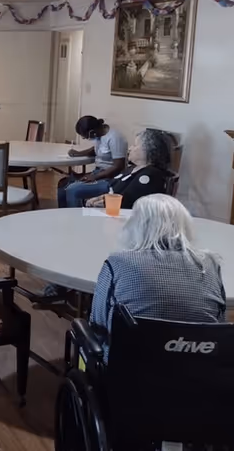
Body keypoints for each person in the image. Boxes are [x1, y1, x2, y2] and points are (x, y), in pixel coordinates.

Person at [89, 195, 226, 361]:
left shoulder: (119, 262)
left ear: (135, 225)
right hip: (199, 370)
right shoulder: (210, 264)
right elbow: (219, 322)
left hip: (129, 369)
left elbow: (98, 323)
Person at [85, 129, 173, 210]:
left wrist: (103, 202)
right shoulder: (135, 168)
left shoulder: (150, 175)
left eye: (135, 145)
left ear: (149, 150)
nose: (130, 148)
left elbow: (129, 202)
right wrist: (100, 199)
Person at [58, 115, 128, 208]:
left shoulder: (114, 138)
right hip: (98, 173)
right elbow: (95, 150)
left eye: (85, 137)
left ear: (91, 132)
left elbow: (119, 166)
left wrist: (95, 177)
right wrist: (78, 153)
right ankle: (63, 214)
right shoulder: (99, 135)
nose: (86, 139)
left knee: (72, 189)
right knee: (63, 184)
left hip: (111, 178)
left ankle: (75, 218)